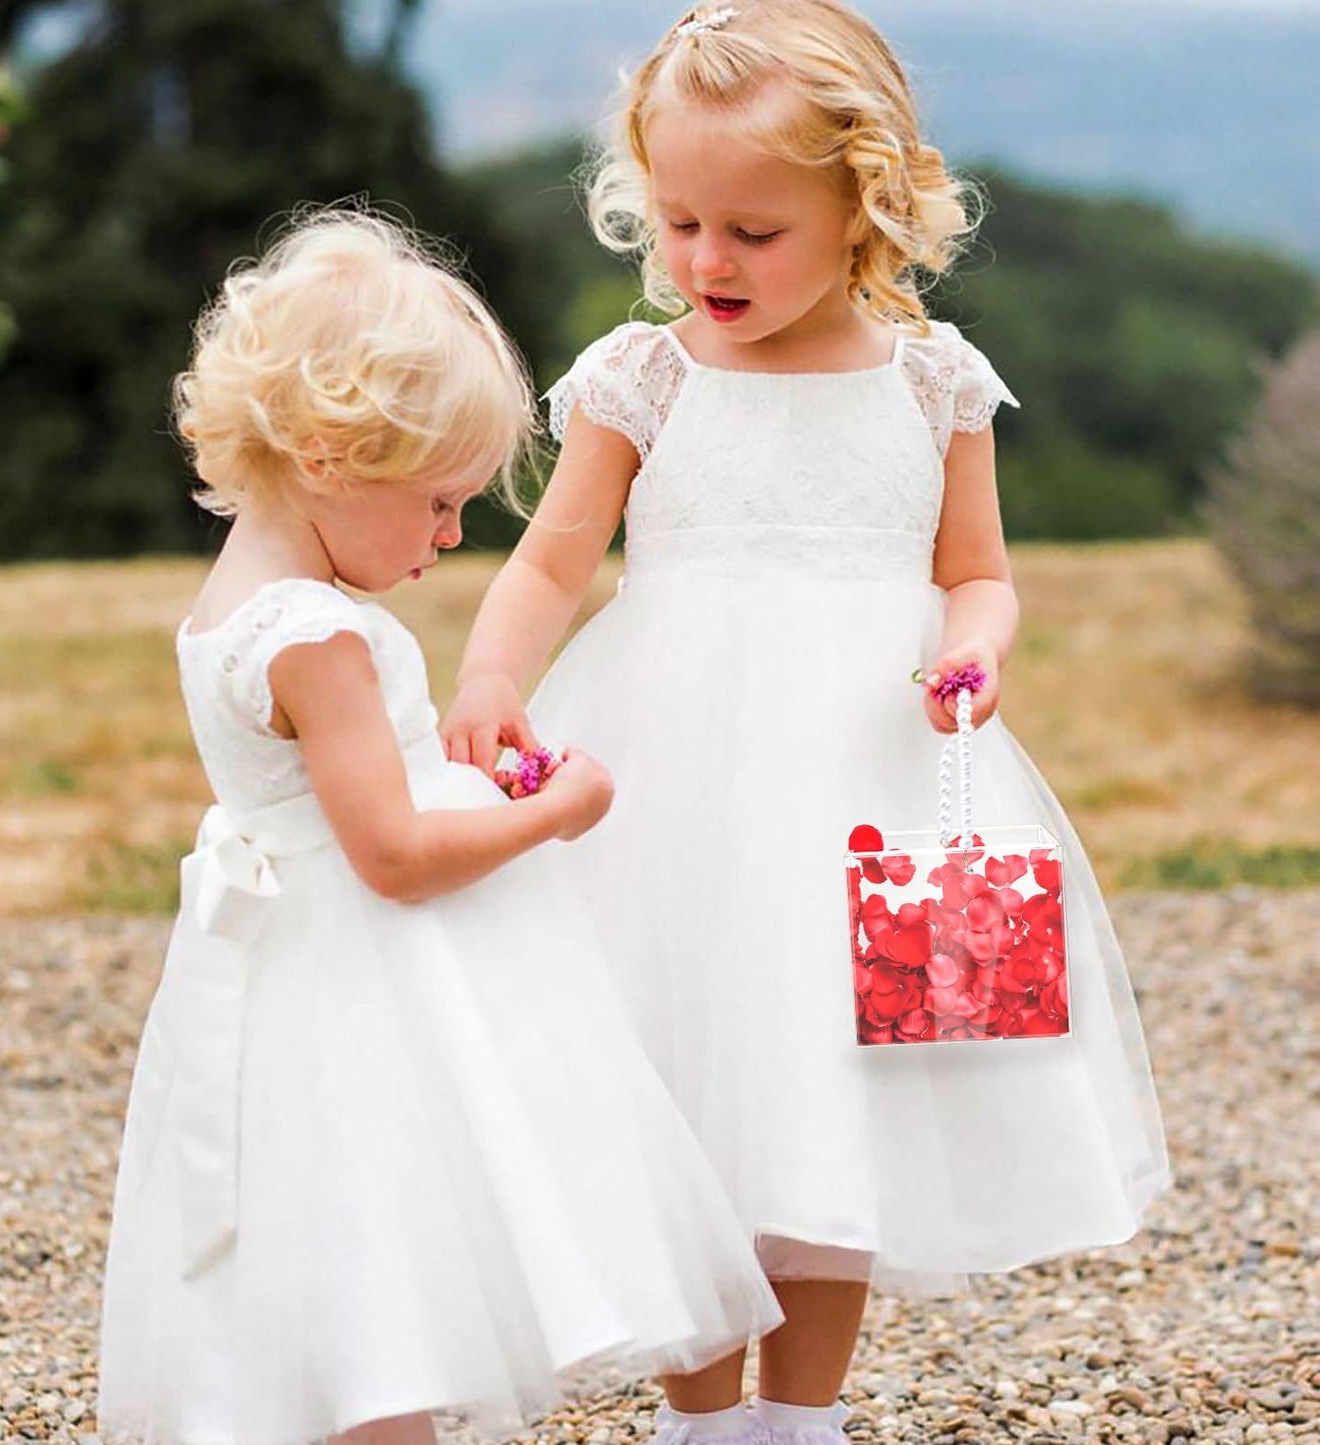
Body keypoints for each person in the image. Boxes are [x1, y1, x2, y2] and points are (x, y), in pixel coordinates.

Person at [442, 5, 1170, 1441]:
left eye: (752, 232)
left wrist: (972, 644)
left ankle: (800, 1419)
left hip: (868, 777)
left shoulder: (932, 381)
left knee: (833, 1097)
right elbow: (549, 559)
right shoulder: (644, 379)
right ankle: (703, 1417)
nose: (706, 262)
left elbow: (977, 570)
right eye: (680, 222)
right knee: (684, 1082)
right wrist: (489, 677)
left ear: (863, 209)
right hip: (672, 785)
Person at [97, 206, 780, 1445]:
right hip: (357, 989)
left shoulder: (231, 607)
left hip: (277, 975)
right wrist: (555, 811)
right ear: (326, 456)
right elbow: (395, 854)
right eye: (438, 503)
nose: (452, 537)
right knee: (384, 1257)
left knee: (329, 1254)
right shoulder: (319, 637)